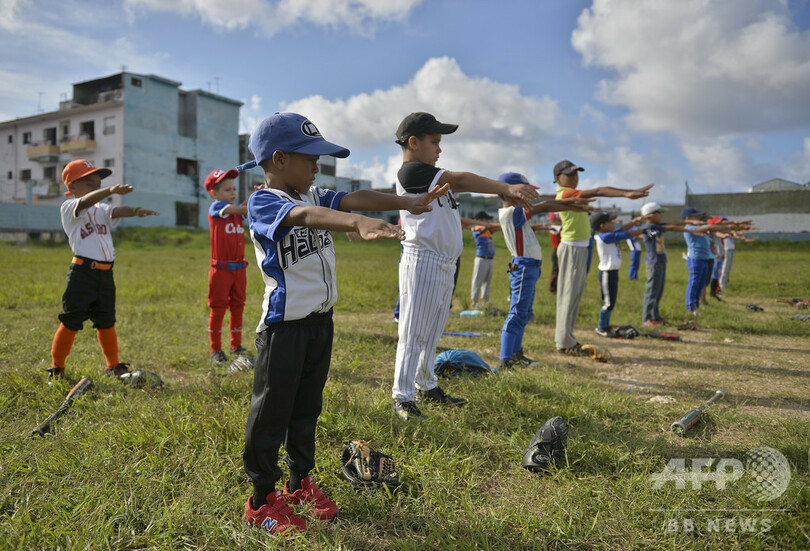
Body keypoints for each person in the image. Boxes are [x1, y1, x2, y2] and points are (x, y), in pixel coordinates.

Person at [238, 112, 446, 535]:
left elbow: (354, 197)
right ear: (278, 159)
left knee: (306, 409)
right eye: (310, 157)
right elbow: (304, 218)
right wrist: (354, 223)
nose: (318, 166)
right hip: (283, 329)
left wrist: (406, 203)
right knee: (270, 415)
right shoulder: (264, 201)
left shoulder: (311, 191)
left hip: (319, 325)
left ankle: (298, 485)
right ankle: (261, 502)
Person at [391, 112, 539, 421]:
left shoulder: (430, 175)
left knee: (431, 332)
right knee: (413, 332)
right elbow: (461, 179)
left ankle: (426, 384)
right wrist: (505, 189)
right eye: (435, 142)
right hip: (423, 261)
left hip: (443, 263)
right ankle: (402, 396)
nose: (439, 150)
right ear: (414, 143)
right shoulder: (412, 172)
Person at [47, 159, 159, 383]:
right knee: (71, 320)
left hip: (105, 274)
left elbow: (118, 209)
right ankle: (57, 368)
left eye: (98, 184)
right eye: (90, 183)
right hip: (82, 273)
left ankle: (113, 366)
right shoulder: (69, 207)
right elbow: (87, 200)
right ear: (72, 188)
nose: (96, 188)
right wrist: (109, 190)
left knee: (107, 320)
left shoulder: (101, 209)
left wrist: (136, 211)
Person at [552, 160, 652, 356]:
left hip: (581, 249)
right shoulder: (565, 193)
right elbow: (598, 191)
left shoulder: (573, 196)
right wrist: (626, 193)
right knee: (568, 295)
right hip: (572, 249)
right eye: (569, 175)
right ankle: (564, 342)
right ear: (557, 179)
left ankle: (568, 339)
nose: (574, 178)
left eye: (576, 174)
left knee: (575, 295)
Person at [496, 172, 593, 369]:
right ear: (507, 193)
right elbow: (544, 206)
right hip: (523, 266)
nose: (527, 196)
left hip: (528, 266)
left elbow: (544, 205)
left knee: (524, 312)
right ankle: (505, 361)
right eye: (523, 192)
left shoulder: (515, 211)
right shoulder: (511, 213)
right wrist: (570, 205)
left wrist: (569, 205)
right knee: (516, 313)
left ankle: (515, 354)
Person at [204, 168, 250, 365]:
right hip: (221, 271)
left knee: (238, 306)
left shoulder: (236, 213)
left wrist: (258, 194)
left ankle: (236, 345)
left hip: (239, 270)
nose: (232, 193)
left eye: (233, 189)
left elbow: (243, 209)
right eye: (226, 190)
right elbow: (238, 209)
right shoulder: (216, 209)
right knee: (218, 309)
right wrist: (246, 206)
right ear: (214, 194)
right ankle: (216, 350)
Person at [681, 207, 747, 316]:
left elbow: (714, 230)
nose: (700, 219)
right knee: (694, 283)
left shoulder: (699, 227)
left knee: (701, 283)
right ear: (688, 218)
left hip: (704, 258)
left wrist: (733, 228)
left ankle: (696, 305)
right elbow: (711, 227)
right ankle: (690, 308)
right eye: (697, 217)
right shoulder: (689, 228)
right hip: (695, 259)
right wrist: (730, 225)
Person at [591, 212, 646, 336]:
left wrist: (634, 221)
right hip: (607, 273)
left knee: (611, 301)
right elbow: (625, 234)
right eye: (611, 222)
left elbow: (622, 230)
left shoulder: (608, 234)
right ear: (602, 226)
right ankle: (601, 327)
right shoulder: (603, 237)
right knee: (608, 302)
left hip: (613, 272)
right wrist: (643, 230)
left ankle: (605, 325)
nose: (613, 224)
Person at [469, 210, 498, 308]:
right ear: (480, 220)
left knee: (487, 281)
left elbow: (494, 228)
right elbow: (481, 229)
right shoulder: (477, 229)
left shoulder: (487, 230)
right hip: (481, 258)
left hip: (490, 258)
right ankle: (474, 301)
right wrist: (487, 226)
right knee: (478, 281)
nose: (488, 222)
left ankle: (485, 299)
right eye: (486, 220)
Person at [547, 212, 562, 293]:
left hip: (560, 251)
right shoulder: (554, 228)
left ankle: (558, 286)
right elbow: (560, 229)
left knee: (560, 270)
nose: (560, 221)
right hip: (556, 251)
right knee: (556, 270)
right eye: (557, 220)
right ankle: (552, 287)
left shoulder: (557, 227)